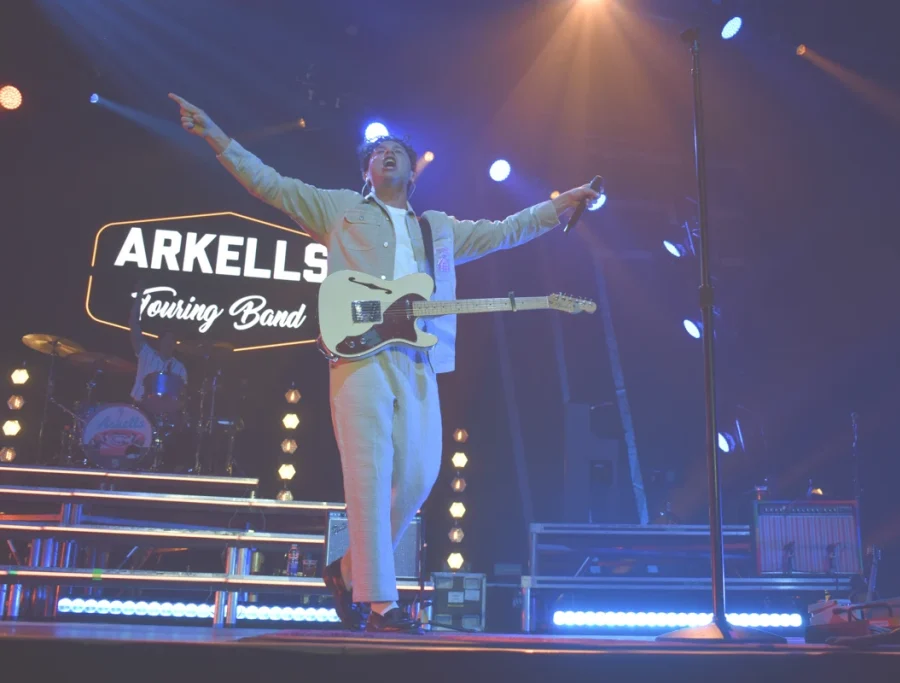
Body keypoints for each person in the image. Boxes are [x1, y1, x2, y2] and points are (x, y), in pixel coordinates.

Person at [169, 92, 600, 633]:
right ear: (366, 171)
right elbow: (270, 184)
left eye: (396, 149)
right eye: (378, 151)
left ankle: (347, 569)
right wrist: (215, 134)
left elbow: (503, 230)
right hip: (357, 354)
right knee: (369, 476)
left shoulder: (436, 228)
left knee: (420, 475)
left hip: (416, 355)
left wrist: (561, 205)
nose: (388, 153)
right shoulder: (340, 209)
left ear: (413, 173)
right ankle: (379, 604)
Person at [129, 283, 188, 407]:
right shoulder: (146, 354)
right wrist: (139, 296)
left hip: (166, 411)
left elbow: (182, 395)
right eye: (166, 340)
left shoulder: (179, 367)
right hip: (139, 407)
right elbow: (134, 324)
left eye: (172, 341)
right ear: (159, 342)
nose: (169, 344)